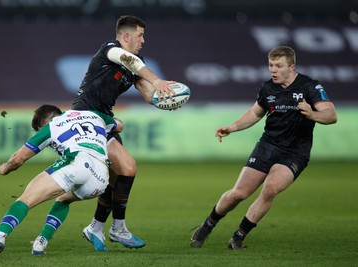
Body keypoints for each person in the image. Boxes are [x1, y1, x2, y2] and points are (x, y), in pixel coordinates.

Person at [45, 15, 175, 252]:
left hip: (104, 121)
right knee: (128, 167)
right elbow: (128, 60)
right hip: (86, 119)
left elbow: (147, 94)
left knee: (114, 180)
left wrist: (166, 98)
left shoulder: (138, 62)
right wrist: (157, 80)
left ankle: (95, 228)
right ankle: (118, 228)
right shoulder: (111, 50)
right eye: (140, 35)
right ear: (126, 36)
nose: (143, 40)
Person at [190, 46, 337, 250]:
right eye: (270, 65)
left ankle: (238, 237)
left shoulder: (309, 86)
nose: (273, 70)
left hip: (295, 152)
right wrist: (231, 127)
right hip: (268, 146)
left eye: (278, 66)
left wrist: (312, 114)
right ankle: (206, 227)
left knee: (270, 189)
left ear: (292, 66)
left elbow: (331, 115)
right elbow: (254, 114)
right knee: (239, 193)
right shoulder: (268, 88)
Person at [0, 104, 120, 257]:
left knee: (26, 199)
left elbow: (19, 159)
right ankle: (41, 241)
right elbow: (119, 125)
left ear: (45, 123)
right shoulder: (93, 115)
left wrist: (6, 168)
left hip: (78, 161)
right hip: (101, 178)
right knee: (63, 199)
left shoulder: (52, 126)